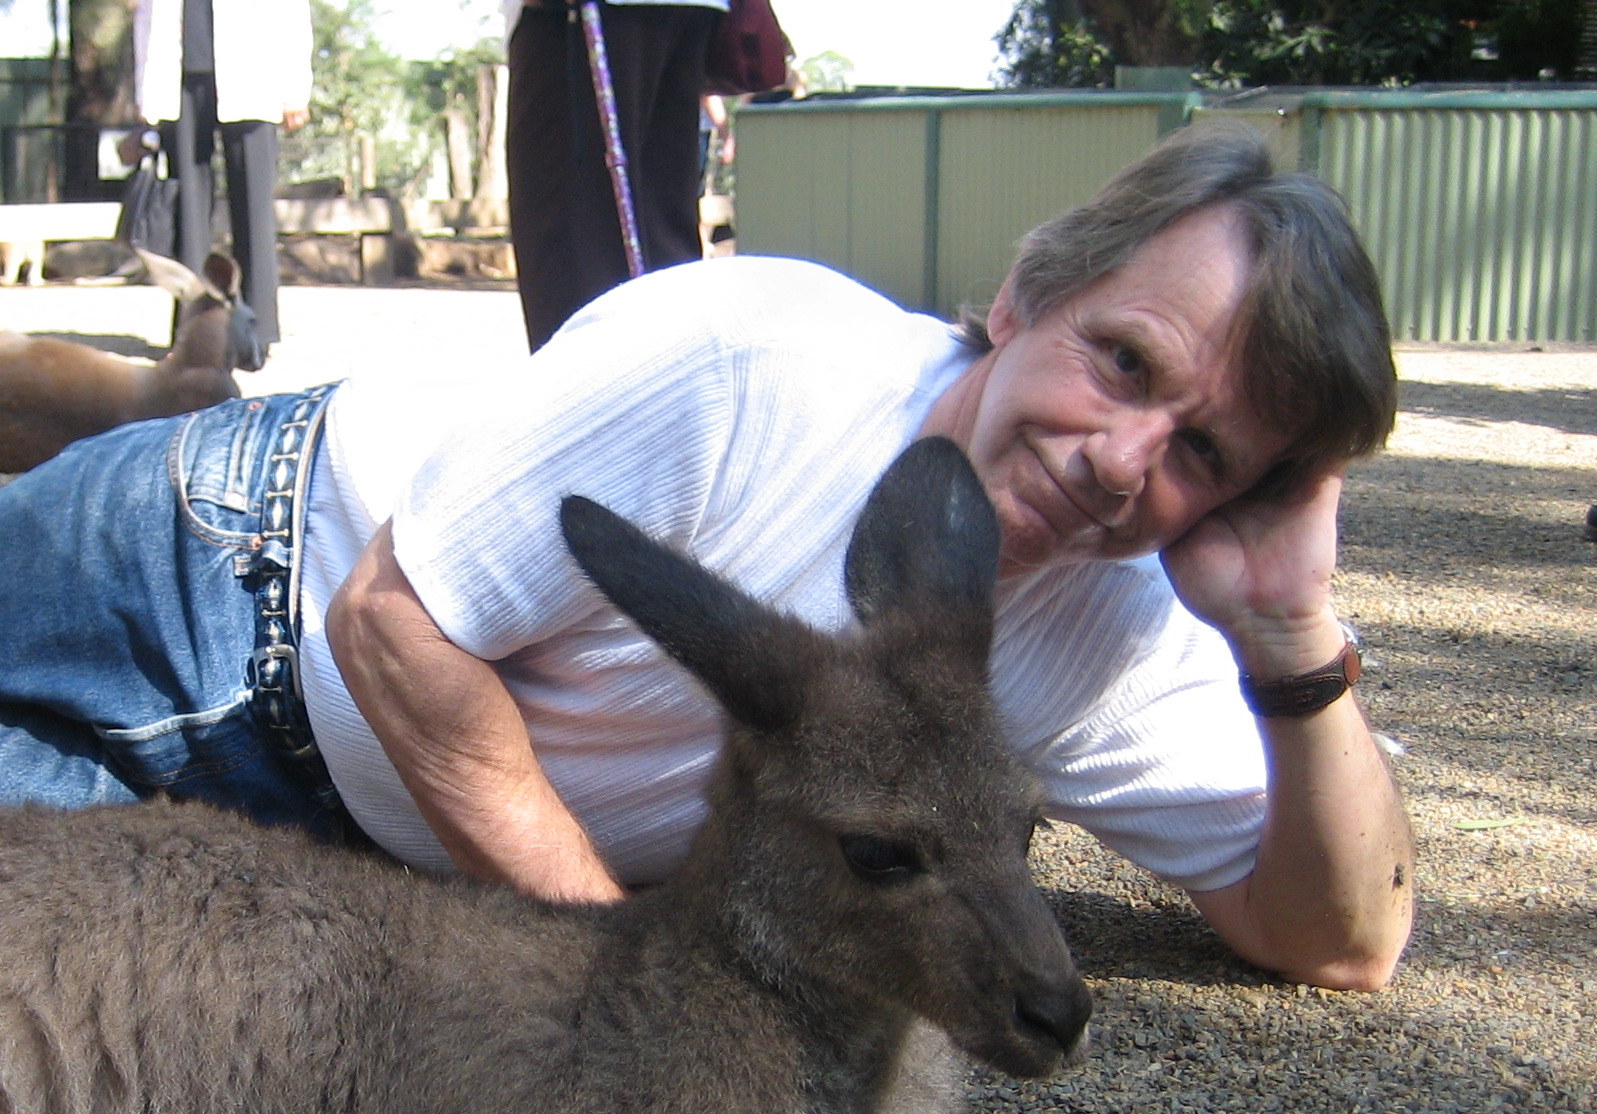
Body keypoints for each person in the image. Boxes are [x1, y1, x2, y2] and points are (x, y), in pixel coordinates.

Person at [0, 122, 1413, 991]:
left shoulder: (1106, 629)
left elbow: (1336, 940)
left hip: (307, 850)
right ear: (1026, 293)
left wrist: (1290, 639)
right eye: (1122, 361)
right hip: (212, 563)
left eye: (1206, 456)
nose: (1124, 459)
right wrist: (619, 977)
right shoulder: (760, 364)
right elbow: (392, 623)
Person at [503, 0, 730, 351]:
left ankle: (595, 399)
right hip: (691, 10)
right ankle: (672, 397)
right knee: (662, 235)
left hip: (583, 16)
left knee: (575, 251)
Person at [131, 0, 314, 351]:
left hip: (255, 70)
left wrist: (295, 90)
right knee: (189, 211)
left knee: (253, 206)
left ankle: (258, 330)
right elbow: (146, 13)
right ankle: (193, 328)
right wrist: (145, 89)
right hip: (179, 75)